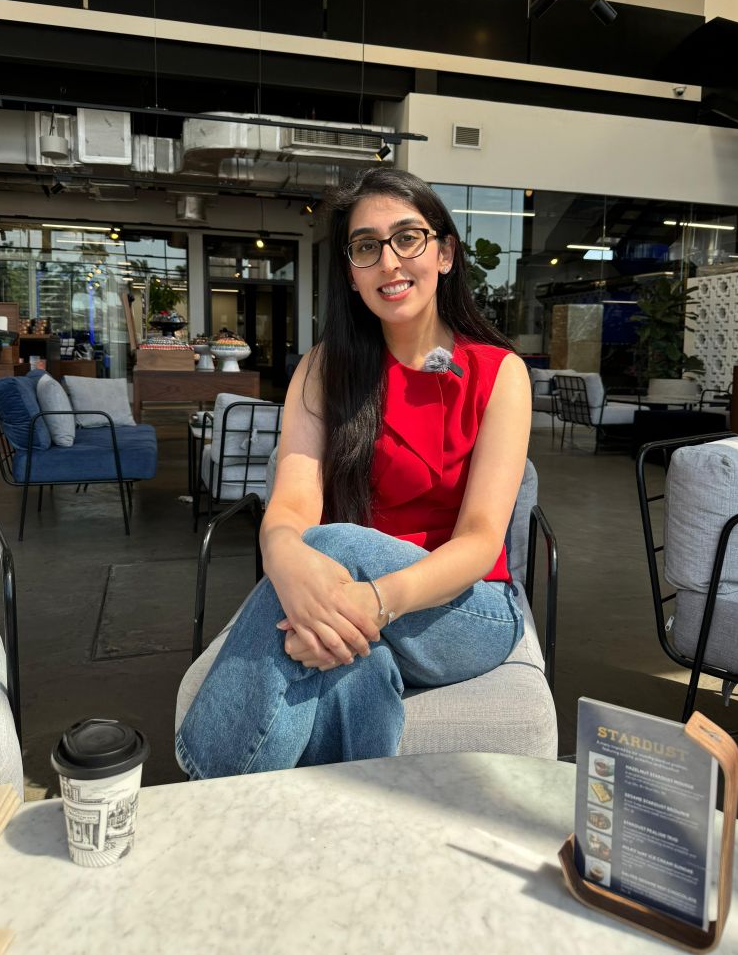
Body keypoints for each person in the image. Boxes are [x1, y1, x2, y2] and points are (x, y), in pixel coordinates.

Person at [176, 167, 531, 778]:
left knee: (327, 543)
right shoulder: (323, 369)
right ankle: (337, 836)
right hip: (350, 599)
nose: (390, 262)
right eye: (368, 247)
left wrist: (372, 601)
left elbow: (479, 541)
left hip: (465, 613)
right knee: (347, 666)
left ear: (443, 253)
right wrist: (285, 559)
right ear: (351, 271)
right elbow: (290, 504)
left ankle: (196, 799)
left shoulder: (500, 373)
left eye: (408, 238)